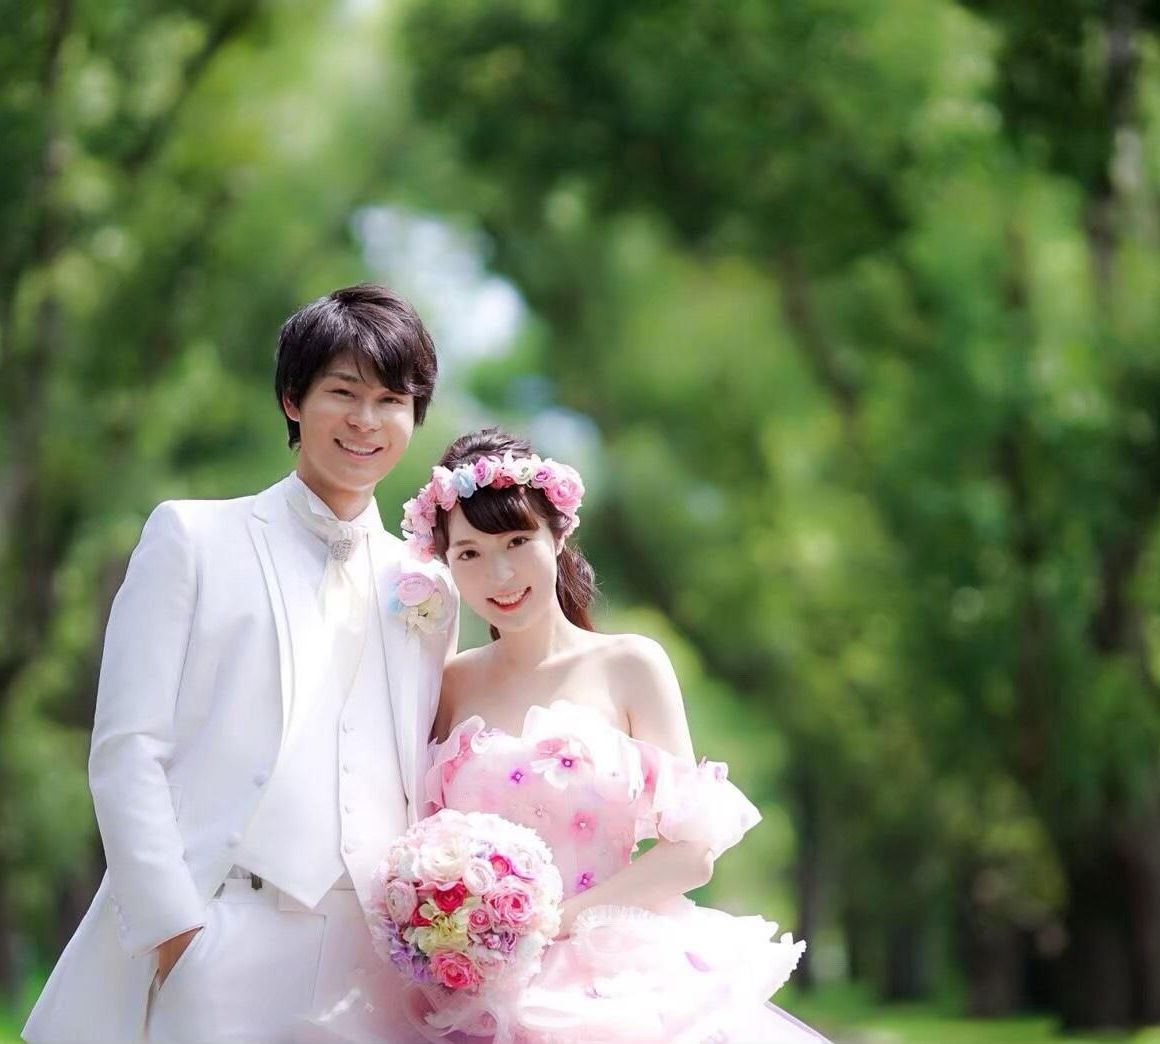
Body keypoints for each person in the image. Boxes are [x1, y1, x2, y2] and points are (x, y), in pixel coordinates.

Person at [22, 284, 459, 1044]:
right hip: (220, 928)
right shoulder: (194, 539)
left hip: (371, 965)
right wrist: (175, 935)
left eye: (391, 400)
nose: (366, 420)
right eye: (342, 392)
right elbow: (128, 749)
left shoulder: (430, 585)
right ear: (293, 399)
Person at [314, 428, 828, 1043]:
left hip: (615, 978)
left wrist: (548, 923)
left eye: (517, 541)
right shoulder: (446, 683)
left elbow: (692, 853)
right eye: (469, 554)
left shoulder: (629, 665)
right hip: (472, 992)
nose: (499, 574)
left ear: (558, 537)